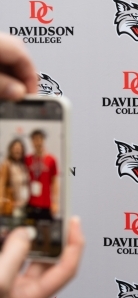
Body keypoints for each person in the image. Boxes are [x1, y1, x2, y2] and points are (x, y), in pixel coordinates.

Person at [0, 32, 84, 298]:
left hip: (47, 204)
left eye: (38, 140)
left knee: (46, 238)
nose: (35, 144)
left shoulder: (49, 158)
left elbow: (56, 180)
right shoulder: (25, 159)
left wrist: (57, 203)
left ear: (42, 142)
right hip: (27, 205)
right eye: (32, 140)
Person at [25, 130, 58, 220]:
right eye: (35, 139)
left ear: (43, 140)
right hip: (31, 202)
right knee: (30, 231)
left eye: (39, 139)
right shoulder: (27, 159)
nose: (37, 142)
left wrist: (55, 202)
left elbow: (54, 182)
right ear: (31, 142)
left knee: (46, 231)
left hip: (46, 203)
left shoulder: (51, 160)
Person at [0, 139, 30, 219]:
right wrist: (2, 203)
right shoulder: (7, 165)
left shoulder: (22, 165)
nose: (17, 151)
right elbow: (1, 185)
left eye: (19, 149)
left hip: (24, 205)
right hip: (12, 207)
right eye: (15, 148)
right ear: (11, 150)